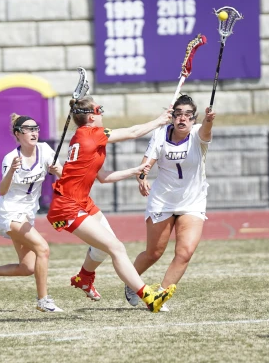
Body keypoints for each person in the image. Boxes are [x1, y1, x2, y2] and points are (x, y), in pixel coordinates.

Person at [46, 96, 175, 312]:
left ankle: (84, 278)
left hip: (81, 201)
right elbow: (133, 132)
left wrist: (134, 170)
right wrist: (160, 120)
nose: (102, 114)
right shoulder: (93, 134)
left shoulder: (83, 135)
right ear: (90, 117)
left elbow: (103, 177)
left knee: (105, 247)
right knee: (116, 248)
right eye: (100, 110)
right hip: (67, 205)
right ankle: (149, 298)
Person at [123, 95, 216, 308]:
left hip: (192, 202)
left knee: (185, 252)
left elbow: (206, 132)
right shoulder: (160, 135)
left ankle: (160, 296)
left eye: (188, 115)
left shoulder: (197, 133)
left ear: (194, 119)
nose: (183, 119)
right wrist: (142, 177)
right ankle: (132, 282)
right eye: (179, 114)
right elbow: (145, 165)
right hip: (162, 201)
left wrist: (210, 120)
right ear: (172, 116)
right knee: (154, 253)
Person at [0, 114, 64, 312]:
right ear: (17, 134)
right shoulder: (11, 158)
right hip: (9, 213)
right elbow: (2, 191)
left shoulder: (45, 150)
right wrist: (12, 171)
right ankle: (43, 301)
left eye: (36, 128)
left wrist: (57, 171)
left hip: (28, 213)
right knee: (43, 249)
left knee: (27, 267)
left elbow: (64, 176)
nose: (34, 132)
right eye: (29, 129)